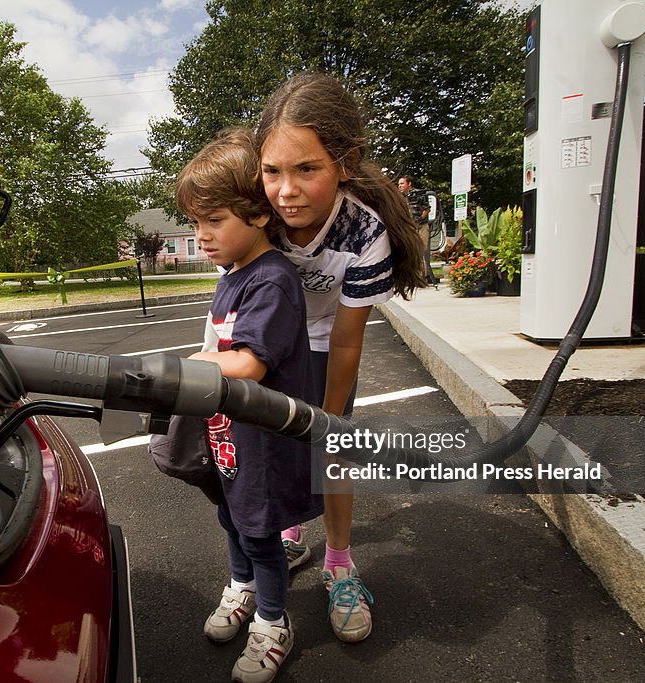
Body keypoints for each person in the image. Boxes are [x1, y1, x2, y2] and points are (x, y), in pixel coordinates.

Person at [254, 72, 426, 643]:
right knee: (272, 443)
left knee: (332, 448)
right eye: (273, 170)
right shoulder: (258, 216)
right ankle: (286, 531)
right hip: (274, 337)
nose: (287, 190)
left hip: (328, 337)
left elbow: (349, 339)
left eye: (308, 169)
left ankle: (340, 562)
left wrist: (329, 417)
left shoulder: (364, 232)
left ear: (344, 164)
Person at [176, 127, 322, 683]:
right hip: (229, 434)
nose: (203, 236)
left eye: (214, 221)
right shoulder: (232, 275)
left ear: (258, 215)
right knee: (230, 516)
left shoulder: (273, 281)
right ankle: (240, 588)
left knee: (260, 531)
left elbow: (249, 363)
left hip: (262, 441)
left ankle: (272, 621)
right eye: (196, 224)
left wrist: (189, 365)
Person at [398, 174, 440, 285]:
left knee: (420, 251)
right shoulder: (402, 197)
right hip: (409, 228)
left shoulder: (419, 194)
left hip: (421, 227)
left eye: (402, 183)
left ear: (409, 184)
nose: (399, 186)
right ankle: (412, 277)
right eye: (399, 184)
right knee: (410, 252)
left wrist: (418, 220)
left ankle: (421, 278)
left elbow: (427, 210)